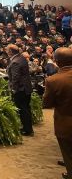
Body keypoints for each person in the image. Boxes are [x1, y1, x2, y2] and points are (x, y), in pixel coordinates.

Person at [43, 47, 72, 179]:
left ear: (57, 62)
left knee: (68, 154)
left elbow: (46, 104)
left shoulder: (53, 80)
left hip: (65, 124)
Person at [6, 44, 33, 136]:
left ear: (10, 51)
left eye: (7, 49)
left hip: (20, 89)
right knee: (26, 108)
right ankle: (28, 128)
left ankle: (26, 130)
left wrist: (14, 89)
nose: (6, 51)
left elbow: (15, 77)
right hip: (26, 88)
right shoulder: (21, 58)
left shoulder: (15, 61)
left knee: (22, 109)